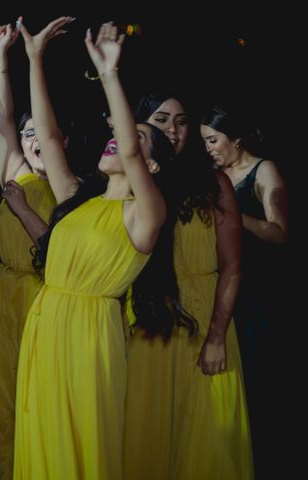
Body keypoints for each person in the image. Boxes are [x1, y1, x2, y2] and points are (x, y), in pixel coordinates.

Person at [12, 19, 169, 478]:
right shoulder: (77, 199)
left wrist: (109, 75)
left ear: (153, 163)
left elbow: (133, 154)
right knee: (40, 439)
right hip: (45, 323)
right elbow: (45, 131)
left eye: (136, 137)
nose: (118, 137)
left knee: (79, 446)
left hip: (88, 335)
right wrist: (35, 59)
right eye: (117, 131)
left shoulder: (146, 214)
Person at [123, 92, 254, 479]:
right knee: (148, 432)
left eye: (181, 121)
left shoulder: (214, 183)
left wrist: (216, 336)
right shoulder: (130, 182)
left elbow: (232, 267)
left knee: (207, 438)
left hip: (205, 318)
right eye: (162, 119)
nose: (173, 130)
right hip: (149, 322)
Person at [0, 21, 56, 479]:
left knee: (35, 400)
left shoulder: (66, 183)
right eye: (26, 135)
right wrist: (0, 54)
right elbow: (2, 112)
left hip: (43, 299)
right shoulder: (14, 170)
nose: (33, 140)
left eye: (42, 132)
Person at [200, 105, 288, 475]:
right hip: (222, 287)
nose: (208, 148)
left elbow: (280, 232)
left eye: (214, 140)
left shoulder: (263, 169)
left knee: (256, 378)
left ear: (236, 138)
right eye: (203, 141)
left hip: (257, 289)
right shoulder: (213, 175)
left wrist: (234, 216)